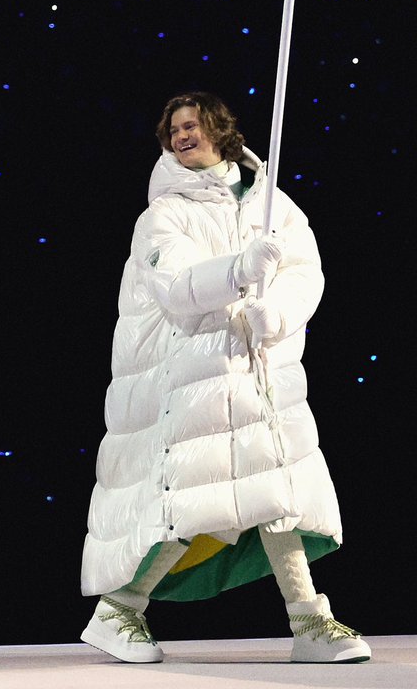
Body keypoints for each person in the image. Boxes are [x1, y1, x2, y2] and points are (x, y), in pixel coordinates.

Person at [80, 91, 370, 664]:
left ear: (219, 130)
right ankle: (118, 611)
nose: (181, 136)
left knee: (276, 493)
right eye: (173, 130)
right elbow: (176, 286)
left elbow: (303, 270)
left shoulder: (272, 205)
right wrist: (238, 270)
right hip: (195, 370)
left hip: (262, 369)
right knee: (193, 498)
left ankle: (311, 621)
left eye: (191, 125)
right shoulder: (163, 213)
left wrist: (277, 312)